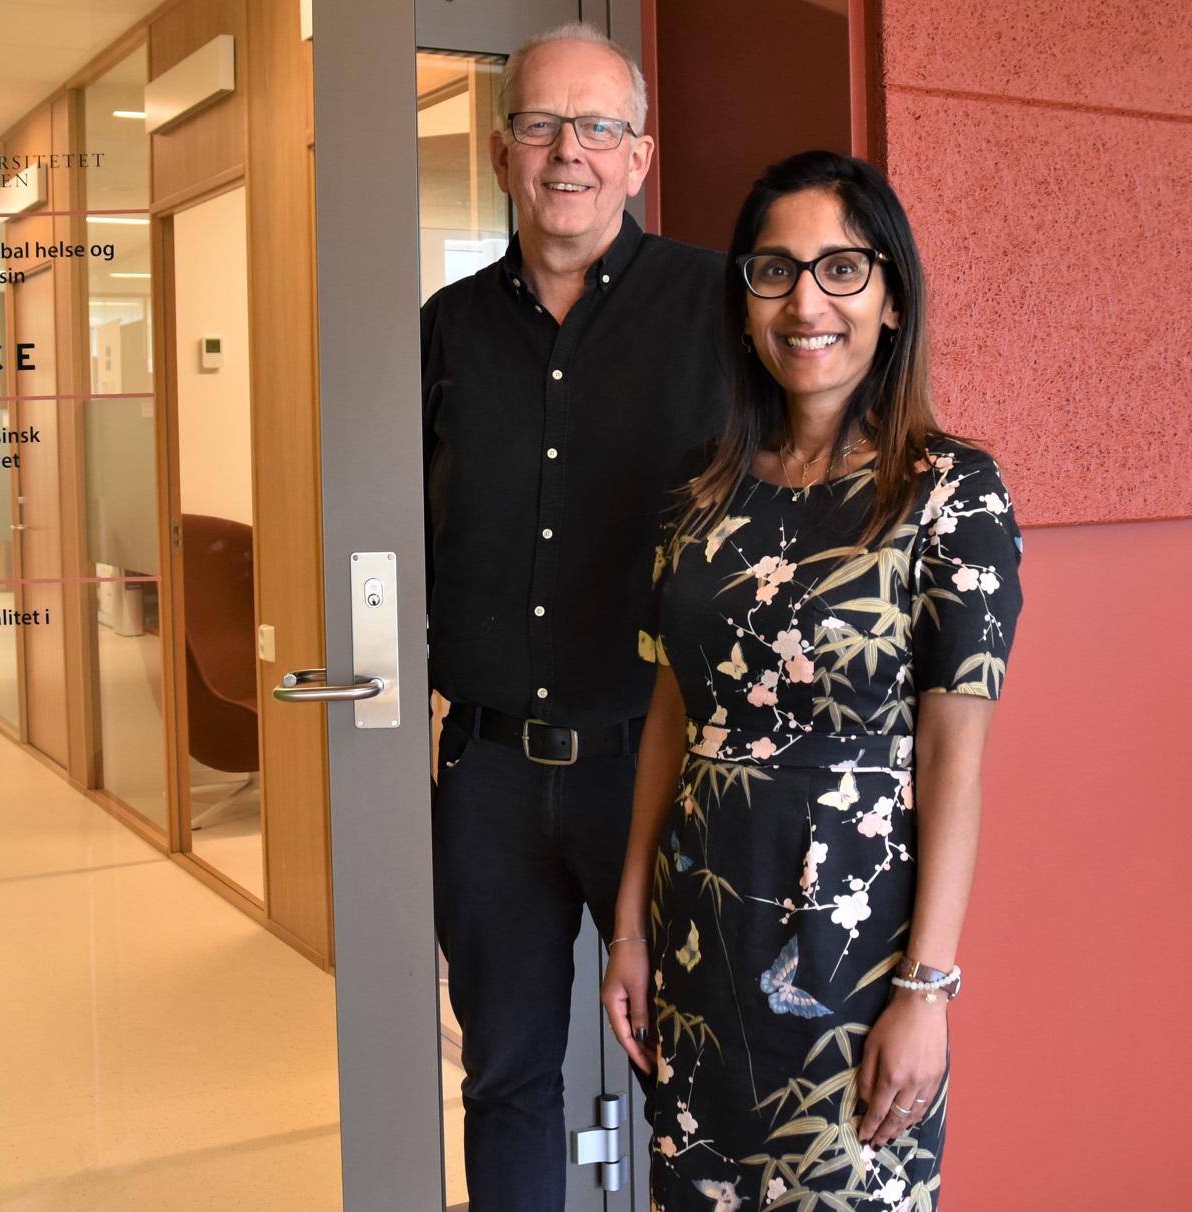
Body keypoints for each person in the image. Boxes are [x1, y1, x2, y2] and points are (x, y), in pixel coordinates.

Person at [600, 150, 1024, 1208]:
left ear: (890, 298)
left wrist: (927, 991)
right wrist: (629, 929)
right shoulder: (698, 494)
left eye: (842, 269)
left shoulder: (951, 494)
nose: (805, 301)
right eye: (774, 270)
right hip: (701, 924)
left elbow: (951, 762)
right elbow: (668, 717)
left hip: (852, 943)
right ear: (744, 304)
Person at [420, 21, 728, 1211]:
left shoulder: (716, 307)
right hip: (490, 772)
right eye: (542, 125)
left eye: (597, 127)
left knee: (690, 1077)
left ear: (639, 157)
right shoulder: (445, 332)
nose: (569, 153)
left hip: (656, 762)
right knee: (505, 1080)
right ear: (502, 154)